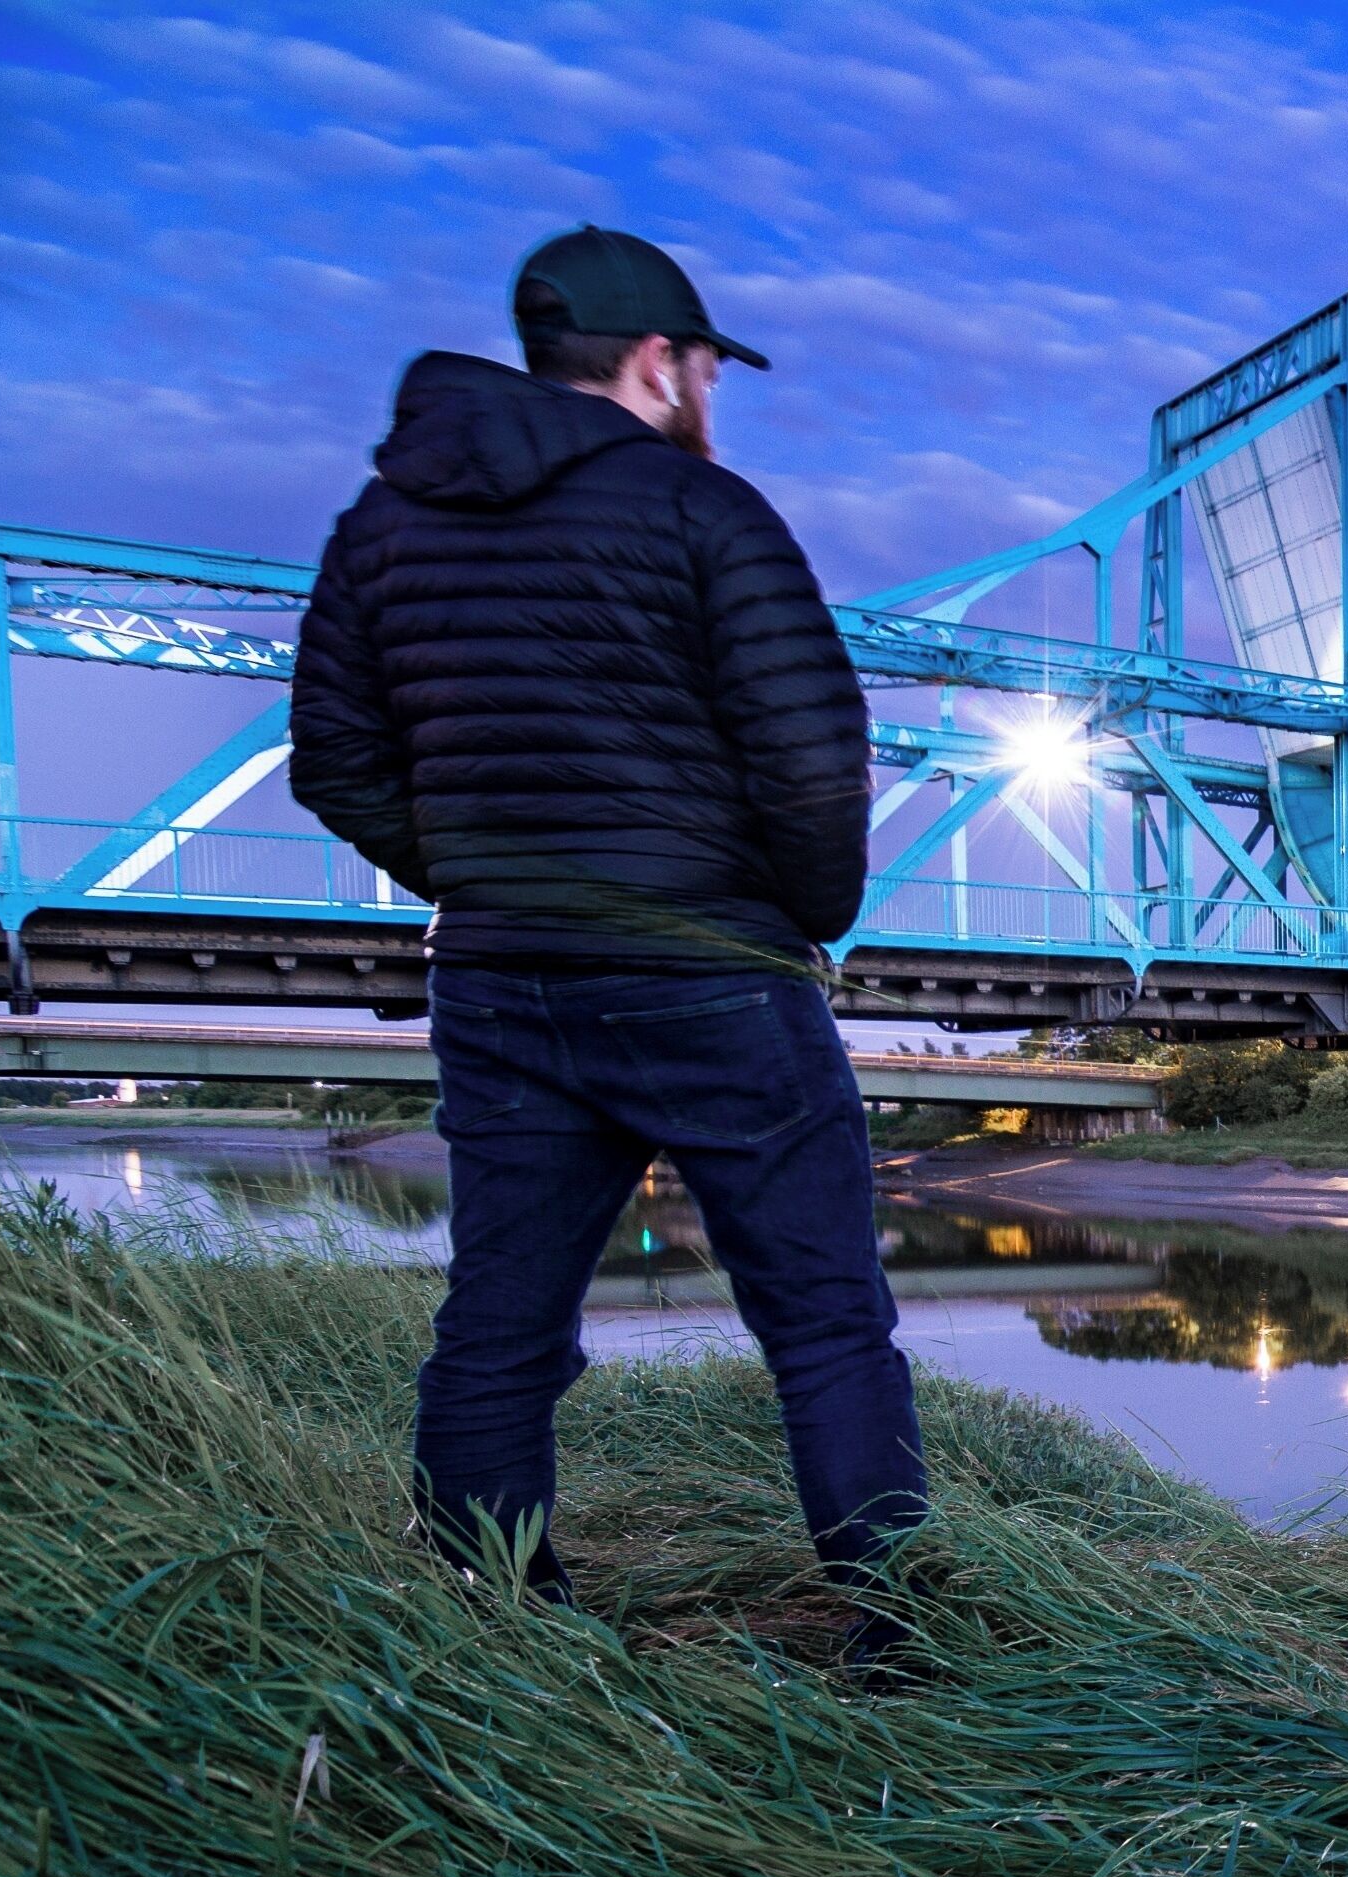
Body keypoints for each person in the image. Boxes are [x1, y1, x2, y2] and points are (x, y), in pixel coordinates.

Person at [291, 225, 925, 1650]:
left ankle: (493, 1621)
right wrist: (802, 917)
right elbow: (814, 757)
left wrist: (483, 870)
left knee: (500, 1327)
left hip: (504, 979)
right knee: (826, 1322)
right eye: (708, 366)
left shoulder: (381, 525)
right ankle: (901, 1631)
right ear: (657, 362)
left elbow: (330, 757)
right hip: (711, 975)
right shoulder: (705, 511)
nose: (712, 392)